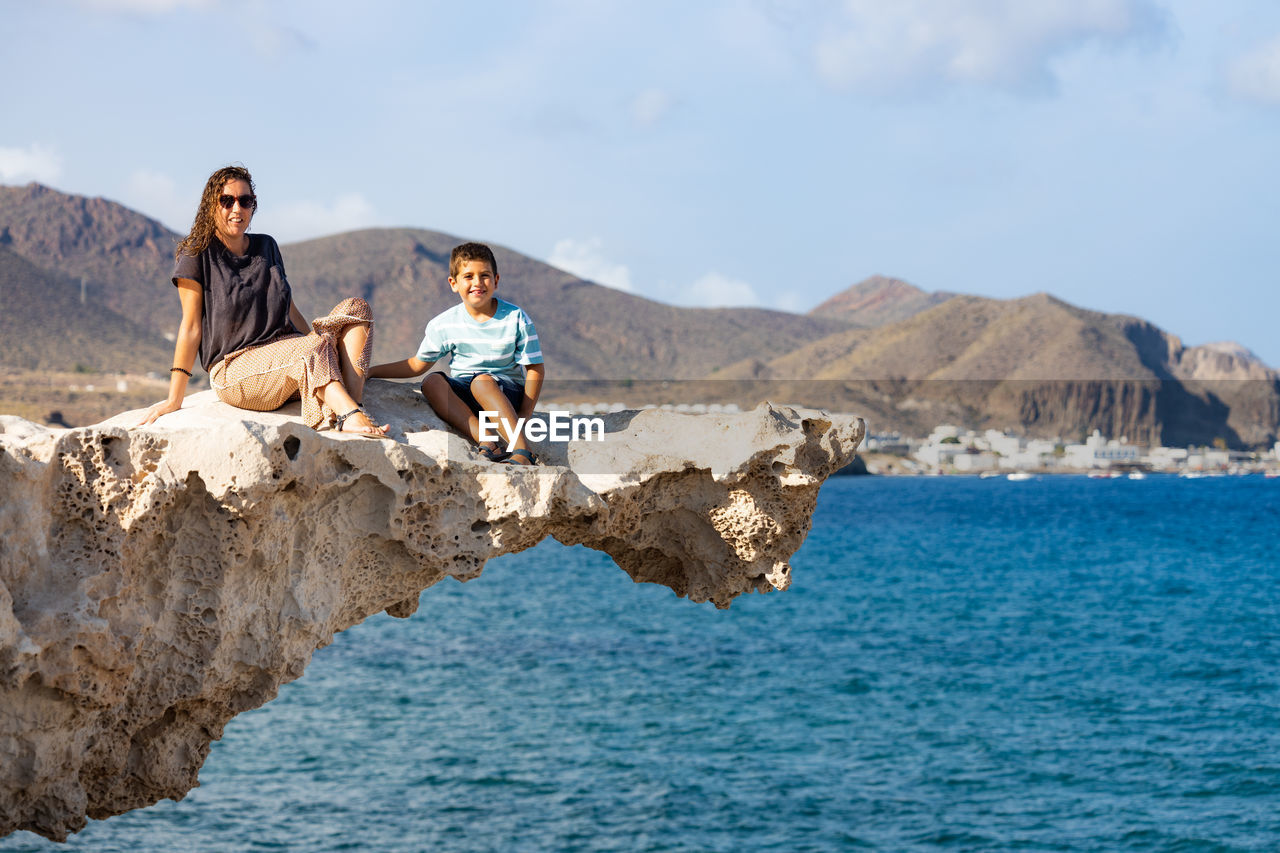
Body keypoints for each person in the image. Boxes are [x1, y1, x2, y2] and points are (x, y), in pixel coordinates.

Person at [137, 165, 388, 437]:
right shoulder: (196, 253)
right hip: (234, 368)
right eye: (227, 200)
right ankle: (349, 415)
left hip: (288, 353)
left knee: (355, 308)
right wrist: (175, 398)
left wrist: (320, 347)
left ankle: (350, 405)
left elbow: (289, 308)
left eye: (245, 201)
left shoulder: (267, 246)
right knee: (311, 348)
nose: (237, 209)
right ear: (211, 205)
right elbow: (191, 327)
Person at [369, 242, 544, 464]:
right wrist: (371, 372)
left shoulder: (516, 318)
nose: (477, 283)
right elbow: (416, 365)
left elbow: (535, 368)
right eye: (468, 276)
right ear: (454, 283)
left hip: (506, 394)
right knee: (431, 381)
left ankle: (523, 451)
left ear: (496, 281)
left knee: (481, 382)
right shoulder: (444, 324)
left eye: (485, 275)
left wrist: (525, 415)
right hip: (468, 393)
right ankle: (487, 440)